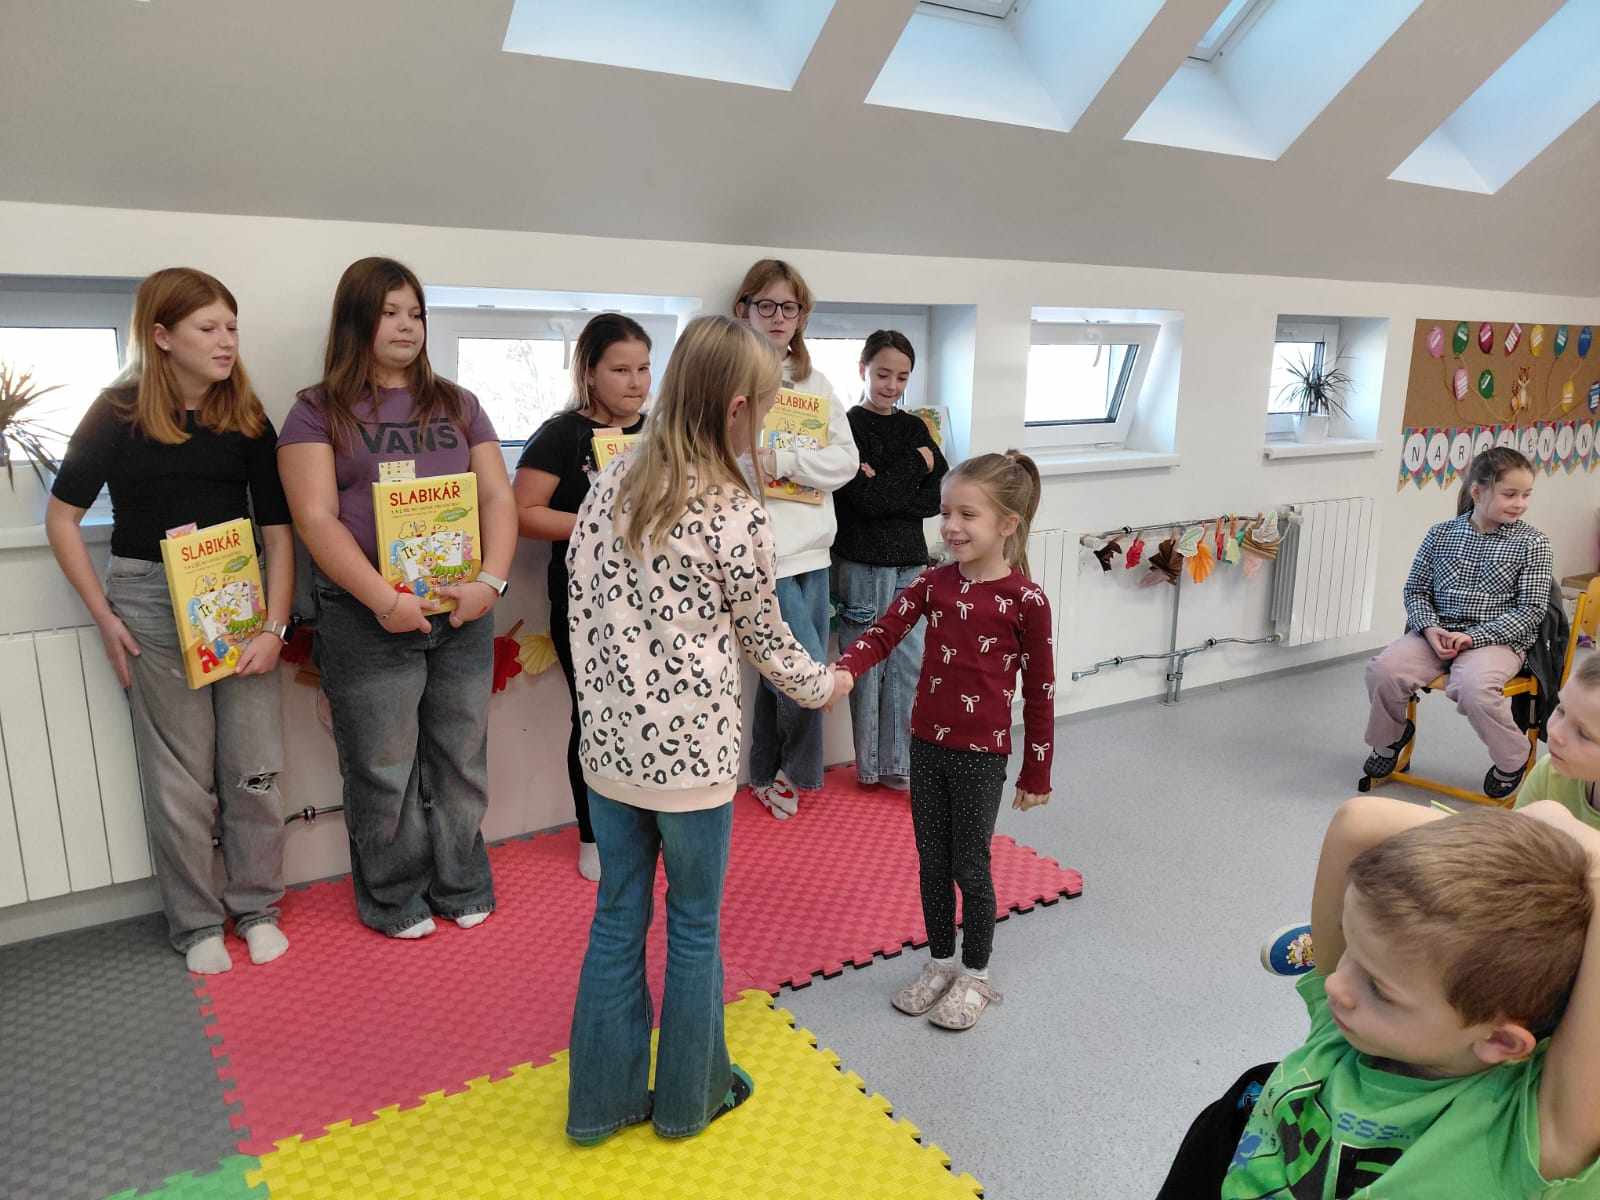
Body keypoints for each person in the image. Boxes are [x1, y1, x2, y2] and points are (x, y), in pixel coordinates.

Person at [564, 314, 848, 1144]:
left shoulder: (611, 480)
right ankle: (692, 1101)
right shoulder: (733, 510)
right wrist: (826, 684)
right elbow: (769, 642)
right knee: (693, 924)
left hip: (609, 750)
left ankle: (601, 1105)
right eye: (763, 404)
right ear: (733, 408)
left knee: (617, 915)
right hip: (691, 762)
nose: (767, 419)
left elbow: (582, 608)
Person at [1158, 796, 1600, 1197]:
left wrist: (1566, 840)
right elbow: (1356, 822)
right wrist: (1546, 826)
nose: (1333, 984)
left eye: (1377, 987)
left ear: (1500, 1040)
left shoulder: (1518, 1134)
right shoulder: (1346, 1033)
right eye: (1348, 948)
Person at [46, 267, 292, 974]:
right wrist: (104, 617)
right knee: (179, 775)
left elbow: (278, 533)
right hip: (151, 598)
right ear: (161, 336)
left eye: (232, 327)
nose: (226, 341)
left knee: (253, 766)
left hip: (237, 596)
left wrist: (275, 627)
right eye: (207, 328)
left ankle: (258, 908)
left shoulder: (247, 415)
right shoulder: (115, 413)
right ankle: (196, 923)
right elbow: (62, 519)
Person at [277, 256, 516, 939]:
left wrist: (490, 582)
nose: (407, 326)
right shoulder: (315, 411)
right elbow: (315, 519)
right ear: (356, 320)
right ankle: (393, 898)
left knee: (461, 759)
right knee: (383, 767)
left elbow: (497, 497)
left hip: (461, 612)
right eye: (389, 312)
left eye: (415, 313)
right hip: (366, 617)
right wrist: (384, 600)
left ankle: (463, 883)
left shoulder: (459, 404)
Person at [833, 451, 1053, 1031]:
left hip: (982, 755)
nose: (951, 526)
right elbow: (883, 632)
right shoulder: (932, 583)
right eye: (946, 512)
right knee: (932, 864)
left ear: (1007, 523)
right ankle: (939, 962)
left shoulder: (1027, 601)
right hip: (927, 746)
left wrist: (1036, 772)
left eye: (967, 515)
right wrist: (845, 670)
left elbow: (1040, 691)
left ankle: (975, 974)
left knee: (969, 867)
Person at [514, 313, 652, 881]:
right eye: (621, 370)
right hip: (586, 602)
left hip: (656, 600)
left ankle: (650, 826)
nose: (636, 382)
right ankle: (593, 833)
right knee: (595, 715)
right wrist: (599, 524)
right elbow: (523, 514)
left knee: (651, 711)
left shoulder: (659, 432)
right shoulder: (562, 434)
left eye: (644, 368)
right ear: (590, 372)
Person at [733, 258, 859, 820]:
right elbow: (729, 461)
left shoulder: (815, 383)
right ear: (744, 310)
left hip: (815, 547)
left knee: (784, 671)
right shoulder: (730, 377)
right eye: (767, 305)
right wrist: (760, 463)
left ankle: (766, 771)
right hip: (764, 552)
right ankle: (794, 772)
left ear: (802, 316)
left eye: (790, 307)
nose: (778, 317)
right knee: (801, 671)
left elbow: (845, 461)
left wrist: (781, 461)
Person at [1362, 447, 1551, 799]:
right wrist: (1430, 628)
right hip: (1435, 633)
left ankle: (1513, 757)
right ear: (1478, 492)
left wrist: (1473, 638)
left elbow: (1530, 611)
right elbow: (1416, 590)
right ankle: (1389, 740)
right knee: (1383, 670)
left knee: (1474, 687)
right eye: (1510, 494)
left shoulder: (1533, 543)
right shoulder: (1440, 534)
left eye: (1526, 495)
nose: (1520, 503)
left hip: (1496, 641)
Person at [832, 329, 945, 791]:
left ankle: (899, 764)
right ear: (863, 369)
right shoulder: (846, 426)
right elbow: (865, 501)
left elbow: (935, 499)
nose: (891, 386)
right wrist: (915, 466)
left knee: (907, 662)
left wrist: (883, 483)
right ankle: (869, 767)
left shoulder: (916, 427)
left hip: (910, 561)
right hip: (862, 561)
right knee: (866, 664)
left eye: (901, 377)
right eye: (882, 374)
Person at [1514, 653, 1600, 830]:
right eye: (1561, 710)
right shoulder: (1550, 771)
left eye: (1584, 734)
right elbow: (1510, 838)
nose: (1554, 732)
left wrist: (1569, 828)